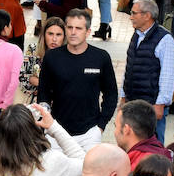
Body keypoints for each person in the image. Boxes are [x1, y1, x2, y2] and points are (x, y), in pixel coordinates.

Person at [36, 10, 118, 149]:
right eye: (70, 27)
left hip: (90, 133)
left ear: (88, 32)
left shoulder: (101, 57)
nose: (73, 32)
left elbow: (111, 93)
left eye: (78, 28)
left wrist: (100, 126)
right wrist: (47, 123)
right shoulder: (51, 57)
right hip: (56, 131)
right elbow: (43, 93)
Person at [121, 0, 174, 141]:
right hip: (133, 103)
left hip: (151, 106)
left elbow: (167, 75)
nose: (131, 17)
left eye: (134, 13)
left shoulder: (165, 39)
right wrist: (123, 96)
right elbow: (129, 67)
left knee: (153, 146)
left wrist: (160, 104)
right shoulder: (136, 35)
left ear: (147, 15)